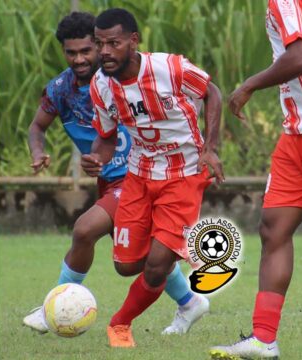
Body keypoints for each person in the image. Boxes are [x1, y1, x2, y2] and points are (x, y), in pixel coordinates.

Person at [21, 11, 206, 336]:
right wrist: (38, 152)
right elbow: (38, 126)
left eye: (88, 50)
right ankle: (189, 301)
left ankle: (55, 304)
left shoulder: (124, 77)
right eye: (71, 52)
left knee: (83, 230)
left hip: (136, 175)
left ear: (104, 45)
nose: (80, 59)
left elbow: (194, 96)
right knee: (138, 259)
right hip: (110, 179)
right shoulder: (62, 90)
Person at [84, 8, 223, 348]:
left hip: (184, 173)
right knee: (127, 266)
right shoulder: (100, 85)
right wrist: (96, 159)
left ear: (133, 41)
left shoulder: (170, 68)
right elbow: (106, 135)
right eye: (99, 44)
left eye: (113, 43)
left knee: (157, 265)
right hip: (139, 175)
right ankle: (190, 301)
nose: (104, 51)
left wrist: (210, 148)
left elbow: (212, 93)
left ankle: (119, 325)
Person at [210, 0, 302, 358]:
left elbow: (301, 58)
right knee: (273, 227)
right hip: (297, 130)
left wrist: (249, 84)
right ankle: (264, 339)